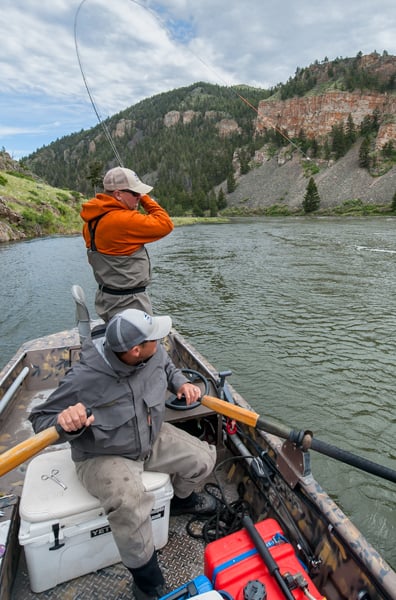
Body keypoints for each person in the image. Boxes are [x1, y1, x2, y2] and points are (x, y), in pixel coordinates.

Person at [29, 309, 217, 600]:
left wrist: (181, 383)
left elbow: (167, 367)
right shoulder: (84, 377)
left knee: (204, 459)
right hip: (102, 454)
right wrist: (64, 421)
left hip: (149, 438)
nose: (161, 339)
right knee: (130, 503)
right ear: (135, 349)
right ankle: (147, 581)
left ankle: (182, 501)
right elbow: (40, 418)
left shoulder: (153, 353)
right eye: (155, 337)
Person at [80, 166, 174, 322]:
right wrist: (146, 199)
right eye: (135, 193)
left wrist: (137, 196)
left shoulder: (91, 222)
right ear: (118, 194)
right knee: (141, 345)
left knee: (120, 343)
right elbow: (165, 223)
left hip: (106, 300)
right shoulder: (124, 220)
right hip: (130, 303)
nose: (138, 197)